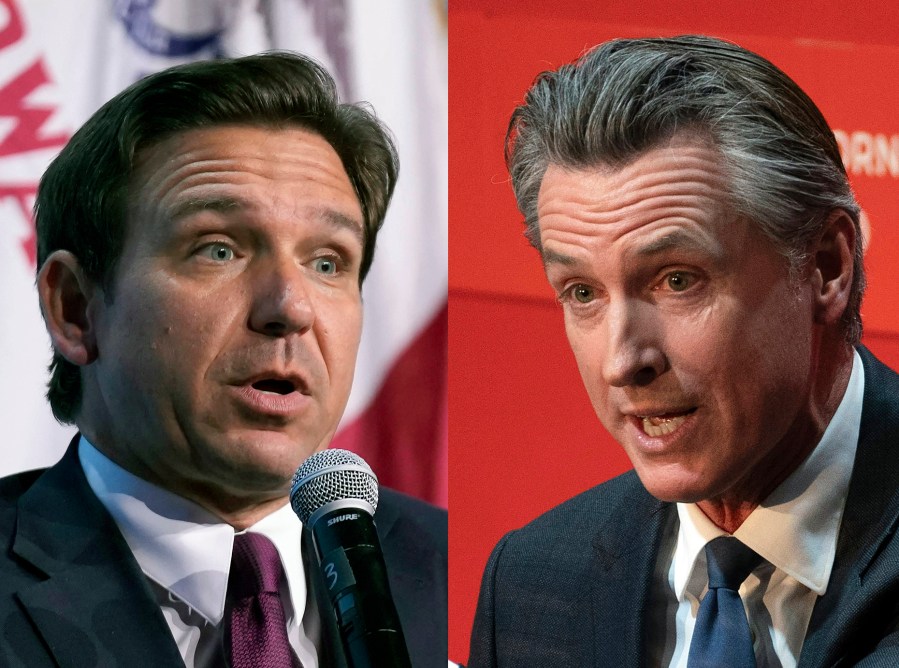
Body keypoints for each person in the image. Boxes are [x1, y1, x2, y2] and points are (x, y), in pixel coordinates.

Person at [0, 53, 447, 667]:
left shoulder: (476, 581)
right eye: (218, 250)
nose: (291, 307)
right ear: (76, 309)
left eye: (327, 263)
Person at [468, 35, 899, 667]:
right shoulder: (533, 586)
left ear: (826, 267)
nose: (623, 361)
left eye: (677, 280)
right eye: (582, 292)